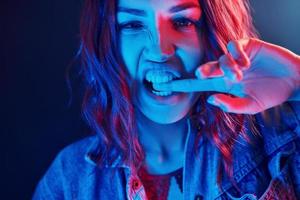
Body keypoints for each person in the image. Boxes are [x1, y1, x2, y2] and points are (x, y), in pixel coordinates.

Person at [33, 0, 300, 199]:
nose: (160, 51)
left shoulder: (283, 138)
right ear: (108, 43)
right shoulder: (68, 180)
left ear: (211, 34)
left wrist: (297, 81)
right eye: (133, 24)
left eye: (183, 21)